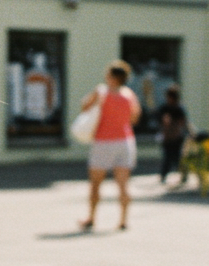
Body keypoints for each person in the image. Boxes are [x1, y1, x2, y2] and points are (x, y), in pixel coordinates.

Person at [77, 60, 142, 232]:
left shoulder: (101, 92)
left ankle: (91, 218)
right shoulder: (129, 95)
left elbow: (84, 108)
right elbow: (135, 118)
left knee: (96, 184)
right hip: (125, 142)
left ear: (112, 77)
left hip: (103, 142)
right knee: (123, 185)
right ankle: (123, 220)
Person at [158, 85, 188, 183]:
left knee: (177, 158)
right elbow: (158, 119)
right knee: (167, 158)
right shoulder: (164, 108)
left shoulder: (178, 108)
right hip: (168, 137)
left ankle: (183, 175)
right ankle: (164, 175)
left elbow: (183, 122)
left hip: (176, 137)